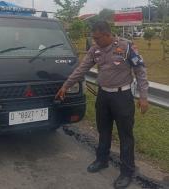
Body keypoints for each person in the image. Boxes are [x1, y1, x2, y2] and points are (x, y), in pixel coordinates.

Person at [55, 21, 149, 189]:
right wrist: (66, 86)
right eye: (94, 38)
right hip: (103, 96)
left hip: (122, 97)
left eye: (97, 38)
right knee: (103, 130)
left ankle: (127, 172)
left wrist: (144, 96)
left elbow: (140, 71)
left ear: (107, 34)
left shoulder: (126, 46)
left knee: (125, 135)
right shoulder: (95, 49)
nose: (95, 41)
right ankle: (102, 160)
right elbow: (81, 69)